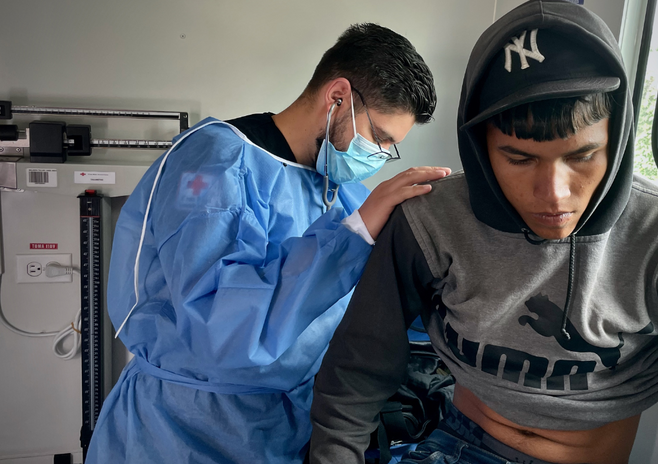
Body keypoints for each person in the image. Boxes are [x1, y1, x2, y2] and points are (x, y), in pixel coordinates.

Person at [308, 2, 658, 463]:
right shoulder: (429, 221)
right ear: (481, 149)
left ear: (617, 138)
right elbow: (355, 374)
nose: (555, 195)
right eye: (519, 159)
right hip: (456, 444)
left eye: (582, 156)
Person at [86, 23, 450, 464]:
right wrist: (354, 236)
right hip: (186, 429)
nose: (381, 156)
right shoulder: (211, 165)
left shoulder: (339, 191)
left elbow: (357, 302)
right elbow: (222, 327)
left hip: (283, 429)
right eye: (382, 138)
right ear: (337, 97)